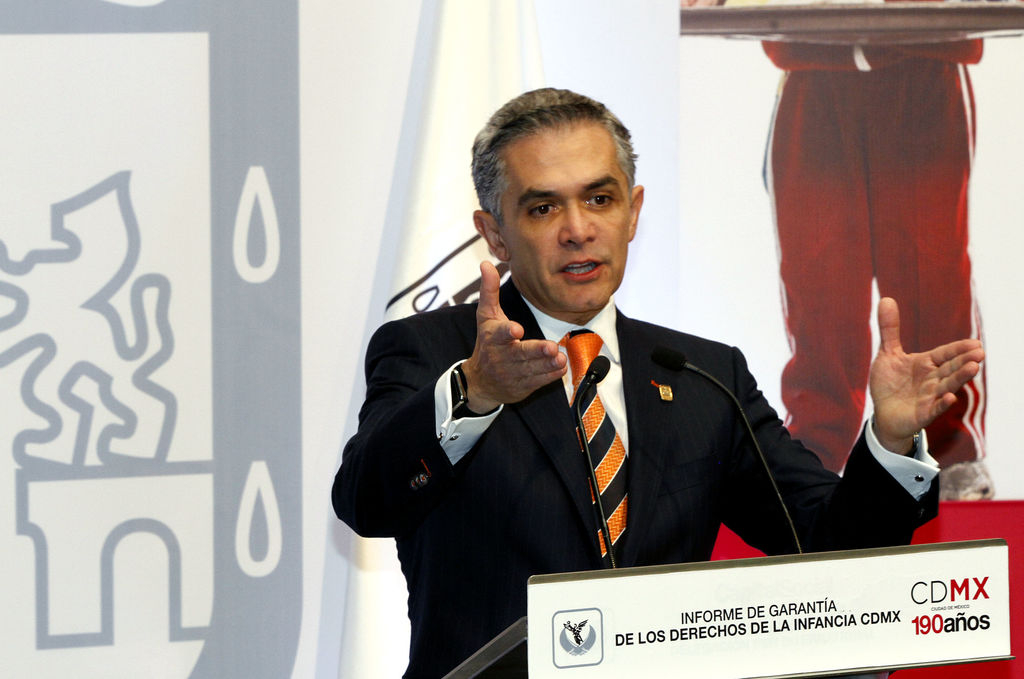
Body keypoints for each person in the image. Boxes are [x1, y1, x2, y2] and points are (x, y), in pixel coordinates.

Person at [332, 88, 984, 678]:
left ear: (633, 211)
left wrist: (889, 440)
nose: (578, 230)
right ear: (495, 234)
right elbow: (367, 502)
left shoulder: (704, 376)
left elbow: (828, 545)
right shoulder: (434, 353)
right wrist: (474, 391)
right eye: (543, 207)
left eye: (600, 199)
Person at [761, 19, 990, 499]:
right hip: (816, 75)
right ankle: (815, 455)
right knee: (819, 281)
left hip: (922, 71)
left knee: (933, 276)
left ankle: (949, 449)